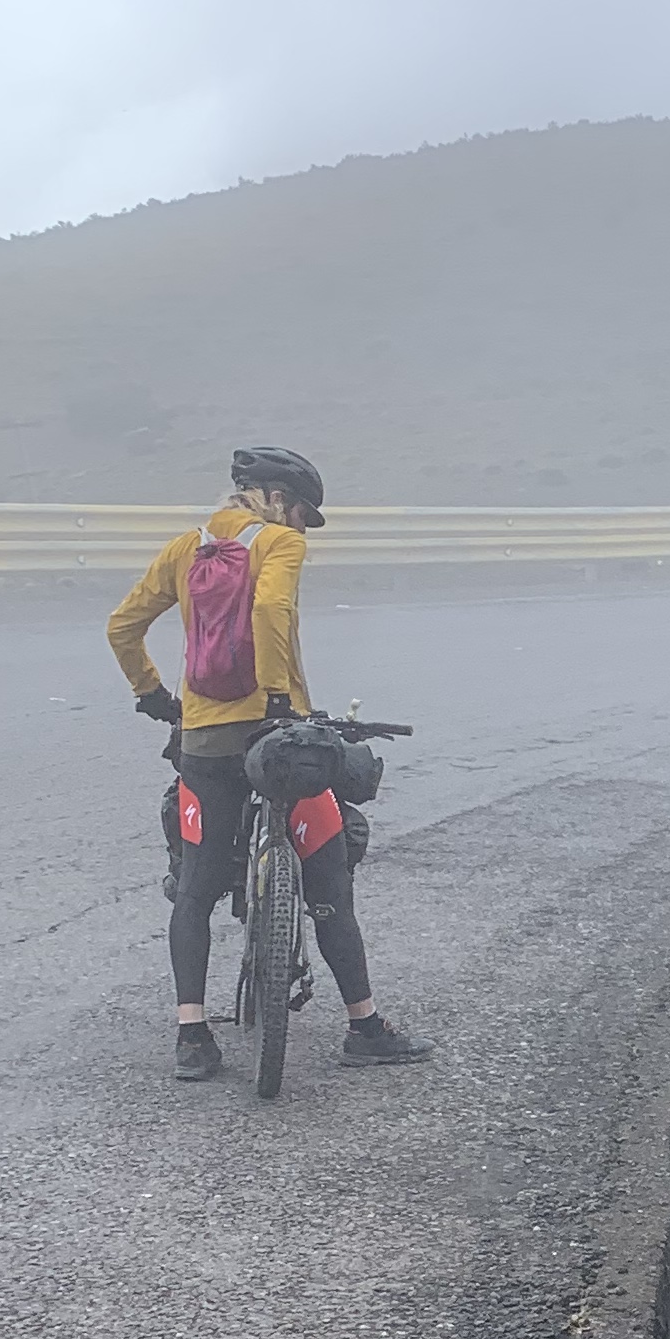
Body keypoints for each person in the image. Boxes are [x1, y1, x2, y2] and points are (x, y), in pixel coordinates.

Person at [106, 443, 432, 1081]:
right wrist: (279, 700)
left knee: (196, 886)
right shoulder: (278, 543)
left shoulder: (185, 549)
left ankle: (192, 1035)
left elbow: (123, 626)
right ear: (278, 500)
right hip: (277, 739)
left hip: (204, 742)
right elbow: (270, 607)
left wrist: (153, 694)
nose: (303, 528)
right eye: (303, 514)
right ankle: (364, 1027)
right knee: (329, 879)